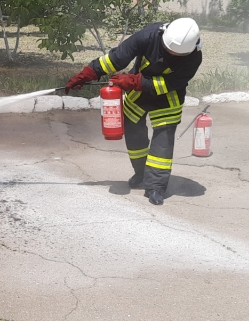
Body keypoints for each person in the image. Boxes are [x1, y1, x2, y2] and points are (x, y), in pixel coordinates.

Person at [65, 18, 202, 205]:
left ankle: (156, 187)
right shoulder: (148, 35)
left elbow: (170, 83)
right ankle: (141, 174)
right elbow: (116, 58)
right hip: (138, 95)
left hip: (167, 98)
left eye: (175, 53)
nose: (170, 53)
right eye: (168, 49)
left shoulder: (194, 57)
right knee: (134, 134)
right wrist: (88, 74)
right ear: (164, 36)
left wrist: (134, 82)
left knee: (162, 142)